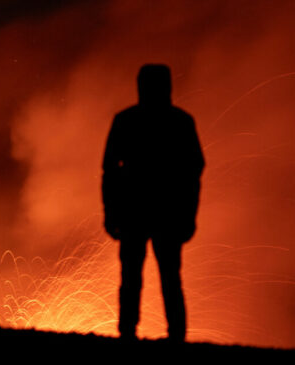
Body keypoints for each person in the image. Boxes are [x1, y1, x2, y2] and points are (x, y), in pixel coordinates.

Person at [102, 64, 204, 341]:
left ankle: (129, 333)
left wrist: (111, 213)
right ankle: (174, 335)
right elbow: (193, 172)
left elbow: (110, 171)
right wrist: (188, 214)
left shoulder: (127, 121)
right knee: (167, 277)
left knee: (136, 277)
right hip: (163, 212)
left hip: (137, 211)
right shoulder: (181, 122)